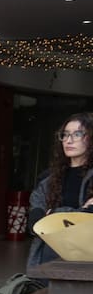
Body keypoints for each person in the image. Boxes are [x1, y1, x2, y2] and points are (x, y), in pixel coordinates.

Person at [27, 112, 93, 270]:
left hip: (86, 259)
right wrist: (77, 212)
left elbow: (86, 223)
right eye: (65, 134)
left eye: (77, 134)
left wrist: (53, 215)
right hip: (48, 256)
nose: (69, 140)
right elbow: (35, 222)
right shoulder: (48, 178)